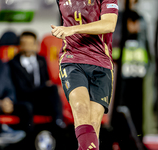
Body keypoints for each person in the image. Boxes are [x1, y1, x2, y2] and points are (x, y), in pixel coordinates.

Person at [51, 0, 118, 149]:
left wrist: (73, 29)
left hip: (101, 64)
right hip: (72, 60)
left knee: (93, 126)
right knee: (81, 108)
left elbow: (109, 24)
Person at [9, 31, 64, 128]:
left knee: (54, 89)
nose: (27, 46)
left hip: (39, 98)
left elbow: (46, 79)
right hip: (24, 97)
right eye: (24, 43)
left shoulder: (41, 60)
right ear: (20, 45)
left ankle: (58, 122)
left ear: (35, 45)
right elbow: (20, 87)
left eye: (30, 43)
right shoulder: (13, 63)